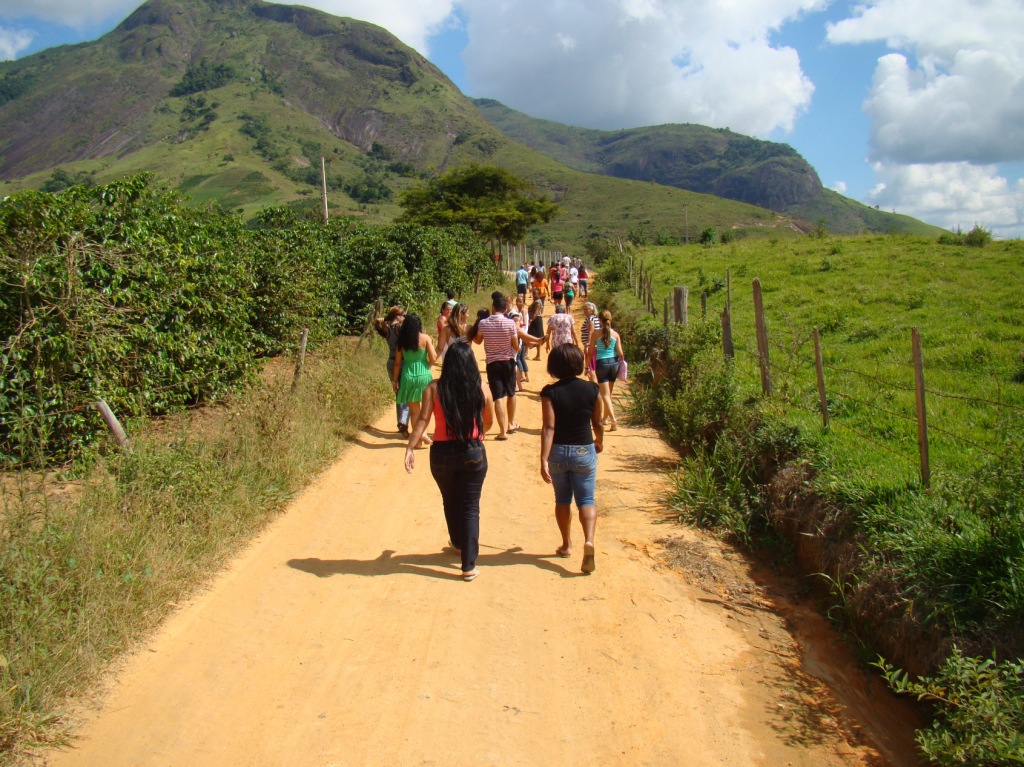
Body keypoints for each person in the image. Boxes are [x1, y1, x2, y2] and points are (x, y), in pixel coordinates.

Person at [405, 342, 494, 581]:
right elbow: (489, 421)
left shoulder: (433, 388)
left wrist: (410, 447)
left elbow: (422, 420)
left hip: (442, 453)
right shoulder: (482, 388)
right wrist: (475, 433)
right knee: (470, 506)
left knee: (450, 499)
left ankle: (457, 541)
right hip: (472, 450)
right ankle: (468, 565)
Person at [540, 343, 603, 574]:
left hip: (558, 452)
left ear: (554, 366)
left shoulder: (549, 392)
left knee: (562, 499)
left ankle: (566, 545)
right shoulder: (592, 390)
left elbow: (548, 427)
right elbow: (597, 422)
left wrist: (543, 459)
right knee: (586, 500)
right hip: (584, 451)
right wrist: (599, 440)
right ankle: (589, 541)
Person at [469, 295, 520, 440]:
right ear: (505, 309)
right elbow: (515, 345)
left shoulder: (484, 323)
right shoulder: (510, 323)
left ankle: (502, 431)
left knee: (498, 396)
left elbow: (478, 341)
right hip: (508, 361)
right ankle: (510, 423)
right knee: (511, 393)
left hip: (492, 363)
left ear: (493, 308)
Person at [393, 313, 438, 447]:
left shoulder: (401, 341)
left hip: (408, 375)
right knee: (426, 410)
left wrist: (395, 380)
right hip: (424, 375)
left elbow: (397, 363)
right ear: (419, 325)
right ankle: (423, 433)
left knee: (414, 411)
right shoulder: (425, 338)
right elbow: (434, 358)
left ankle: (418, 441)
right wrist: (432, 345)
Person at [374, 306, 410, 436]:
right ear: (398, 316)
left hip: (391, 361)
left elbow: (379, 327)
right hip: (403, 361)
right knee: (406, 392)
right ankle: (403, 420)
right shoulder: (400, 329)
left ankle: (401, 421)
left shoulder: (388, 330)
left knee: (398, 391)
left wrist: (380, 321)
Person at [587, 310, 625, 432]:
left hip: (601, 364)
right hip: (613, 364)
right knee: (609, 393)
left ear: (600, 320)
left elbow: (591, 352)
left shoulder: (596, 334)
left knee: (604, 394)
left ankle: (613, 420)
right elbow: (620, 353)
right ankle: (605, 418)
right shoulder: (616, 335)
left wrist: (587, 366)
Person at [580, 302, 601, 381]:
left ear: (592, 310)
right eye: (584, 309)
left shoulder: (591, 319)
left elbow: (591, 332)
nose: (585, 311)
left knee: (591, 367)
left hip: (592, 346)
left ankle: (594, 386)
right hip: (595, 345)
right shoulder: (595, 318)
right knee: (592, 366)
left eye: (587, 309)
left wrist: (588, 345)